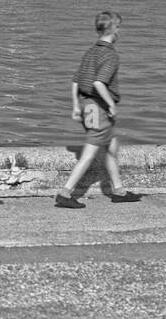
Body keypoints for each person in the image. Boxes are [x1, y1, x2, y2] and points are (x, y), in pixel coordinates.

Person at [54, 11, 140, 209]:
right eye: (118, 27)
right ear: (114, 30)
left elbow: (76, 80)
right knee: (90, 153)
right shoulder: (111, 55)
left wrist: (76, 106)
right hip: (99, 108)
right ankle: (65, 192)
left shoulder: (90, 52)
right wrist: (110, 104)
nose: (119, 31)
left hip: (86, 106)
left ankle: (118, 191)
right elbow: (99, 82)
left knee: (111, 148)